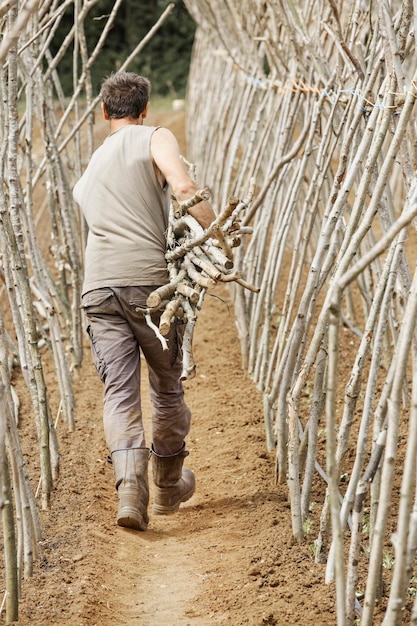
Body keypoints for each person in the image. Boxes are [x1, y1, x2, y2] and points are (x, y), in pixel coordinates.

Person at [73, 71, 216, 531]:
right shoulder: (154, 137)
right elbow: (184, 186)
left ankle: (130, 492)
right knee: (167, 384)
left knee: (119, 391)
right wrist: (216, 236)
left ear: (103, 111)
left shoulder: (92, 165)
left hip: (97, 288)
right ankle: (169, 486)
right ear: (145, 108)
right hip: (147, 287)